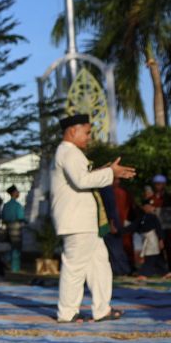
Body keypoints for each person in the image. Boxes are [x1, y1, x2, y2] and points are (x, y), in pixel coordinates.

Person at [51, 113, 136, 322]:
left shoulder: (70, 152)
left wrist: (107, 171)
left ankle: (102, 309)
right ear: (73, 131)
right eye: (87, 132)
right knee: (75, 267)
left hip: (84, 222)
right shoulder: (69, 152)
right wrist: (109, 172)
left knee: (99, 264)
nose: (89, 137)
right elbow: (82, 180)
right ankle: (68, 312)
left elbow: (83, 178)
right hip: (77, 221)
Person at [127, 201, 170, 278]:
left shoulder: (153, 217)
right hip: (145, 238)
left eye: (149, 206)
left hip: (152, 238)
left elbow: (158, 228)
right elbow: (133, 226)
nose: (148, 208)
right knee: (155, 256)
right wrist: (120, 231)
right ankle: (164, 272)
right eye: (146, 206)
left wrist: (161, 239)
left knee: (150, 255)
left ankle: (144, 273)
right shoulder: (141, 217)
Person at [150, 174, 171, 274]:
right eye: (157, 184)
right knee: (157, 248)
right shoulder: (151, 197)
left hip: (168, 226)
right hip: (156, 227)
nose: (158, 186)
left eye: (160, 184)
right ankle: (161, 269)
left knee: (169, 248)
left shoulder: (170, 197)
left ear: (164, 185)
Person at [1, 185, 26, 273]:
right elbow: (21, 216)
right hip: (16, 228)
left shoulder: (6, 205)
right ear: (14, 193)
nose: (18, 193)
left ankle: (5, 260)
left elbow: (3, 216)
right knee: (16, 248)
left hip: (8, 227)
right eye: (17, 191)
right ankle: (15, 267)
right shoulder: (17, 205)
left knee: (10, 246)